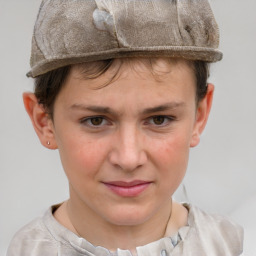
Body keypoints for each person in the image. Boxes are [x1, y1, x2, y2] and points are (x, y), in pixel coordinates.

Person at [7, 0, 243, 255]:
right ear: (44, 122)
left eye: (159, 119)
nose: (129, 159)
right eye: (95, 120)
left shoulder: (233, 245)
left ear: (199, 116)